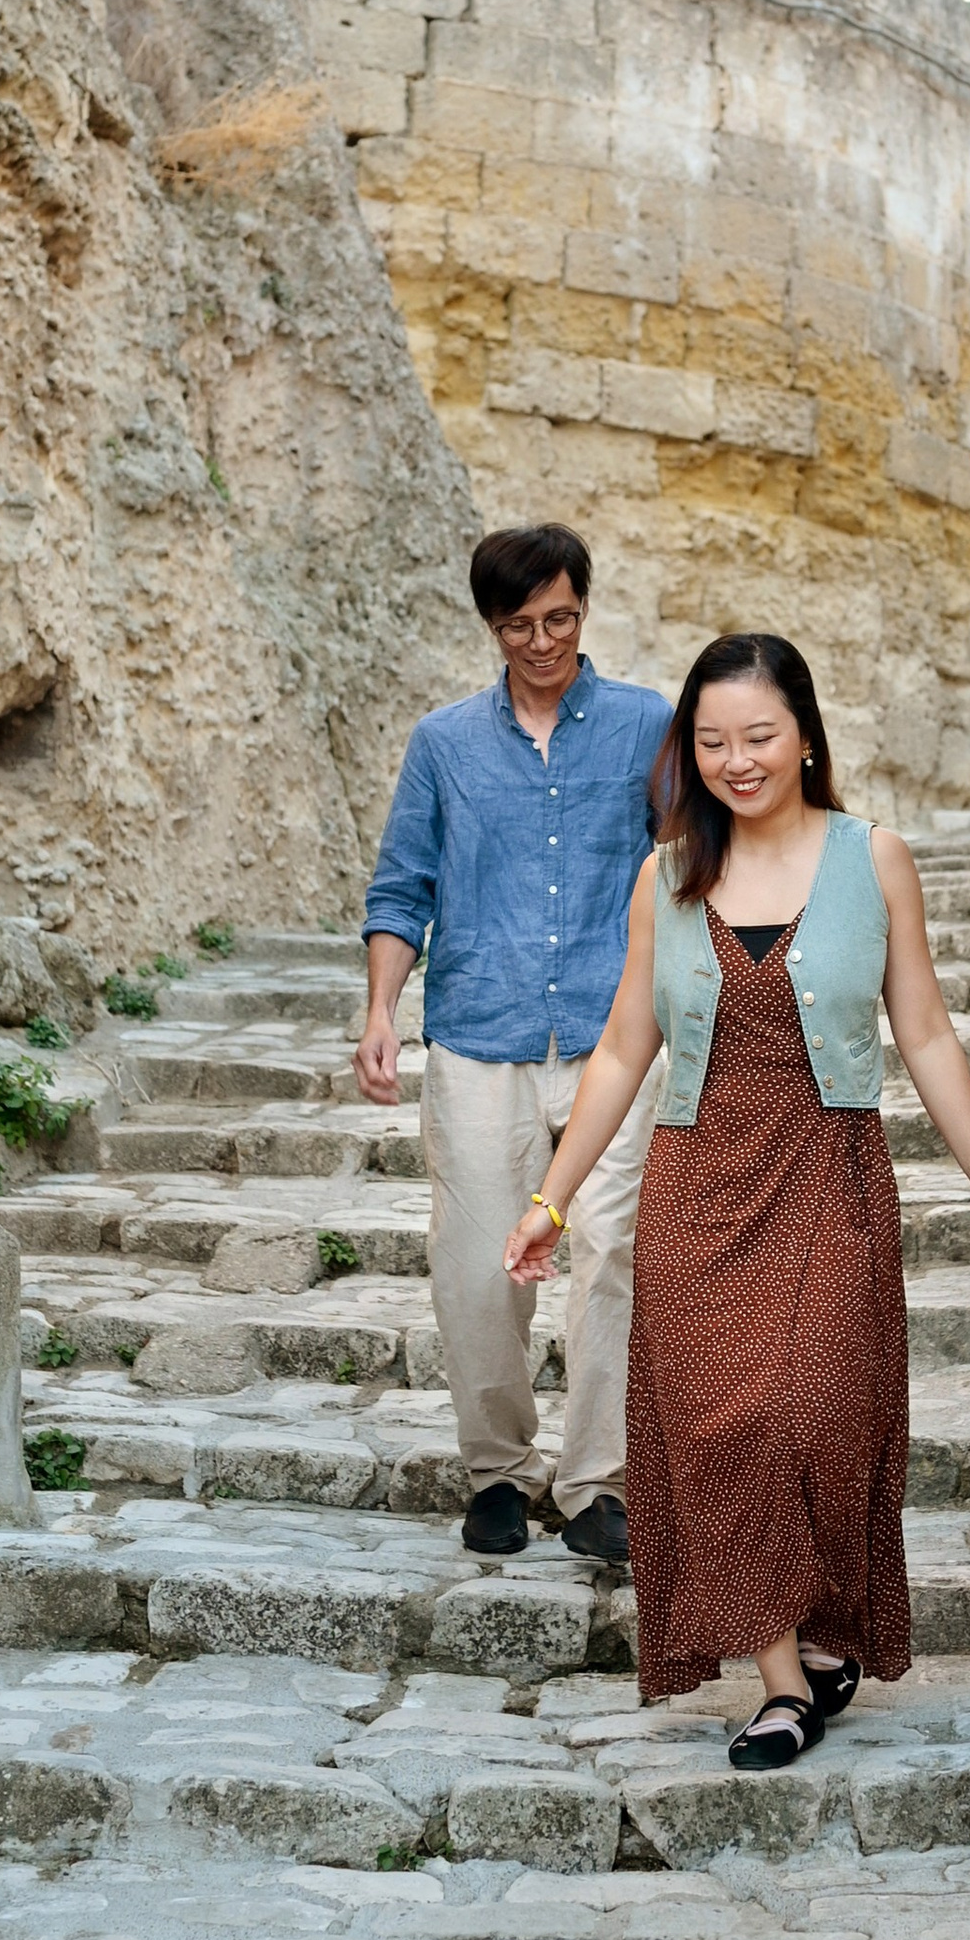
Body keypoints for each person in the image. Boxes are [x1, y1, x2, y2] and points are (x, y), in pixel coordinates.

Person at [502, 631, 970, 1767]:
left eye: (757, 736)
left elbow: (927, 1029)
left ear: (805, 733)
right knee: (723, 1430)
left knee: (811, 1411)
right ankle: (781, 1680)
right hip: (699, 1188)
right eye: (710, 741)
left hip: (830, 1171)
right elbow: (618, 1051)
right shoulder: (669, 874)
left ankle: (819, 1630)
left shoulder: (873, 857)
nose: (735, 760)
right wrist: (550, 1202)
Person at [358, 526, 672, 1563]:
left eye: (562, 618)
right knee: (476, 1266)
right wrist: (378, 1012)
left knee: (614, 1255)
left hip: (613, 1035)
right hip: (478, 1034)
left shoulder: (644, 726)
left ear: (585, 606)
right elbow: (402, 885)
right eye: (520, 625)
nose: (544, 641)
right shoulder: (444, 743)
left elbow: (694, 863)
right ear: (491, 626)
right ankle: (497, 1470)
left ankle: (597, 1486)